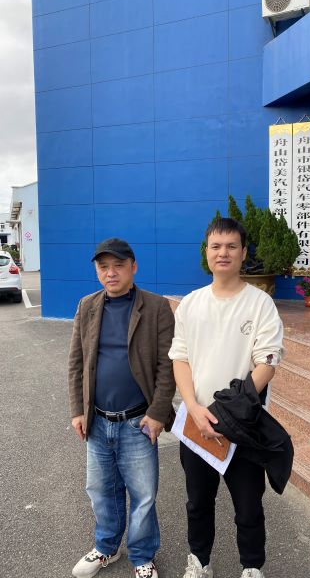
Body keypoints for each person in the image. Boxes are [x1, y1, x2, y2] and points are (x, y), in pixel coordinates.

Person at [169, 218, 284, 578]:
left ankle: (251, 566)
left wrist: (228, 414)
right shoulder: (191, 304)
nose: (223, 253)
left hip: (244, 426)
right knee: (198, 502)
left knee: (248, 506)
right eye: (216, 246)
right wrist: (194, 407)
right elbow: (180, 358)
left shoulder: (260, 303)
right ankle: (199, 561)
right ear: (206, 252)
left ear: (243, 253)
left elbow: (267, 363)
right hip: (197, 423)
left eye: (232, 246)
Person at [68, 238, 176, 578]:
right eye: (103, 267)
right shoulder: (87, 305)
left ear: (133, 267)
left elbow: (167, 366)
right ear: (97, 271)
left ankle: (142, 556)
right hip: (98, 419)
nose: (110, 273)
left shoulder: (156, 307)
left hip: (138, 421)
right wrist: (78, 410)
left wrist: (157, 413)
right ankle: (107, 547)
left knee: (143, 494)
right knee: (101, 490)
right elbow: (76, 362)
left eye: (118, 265)